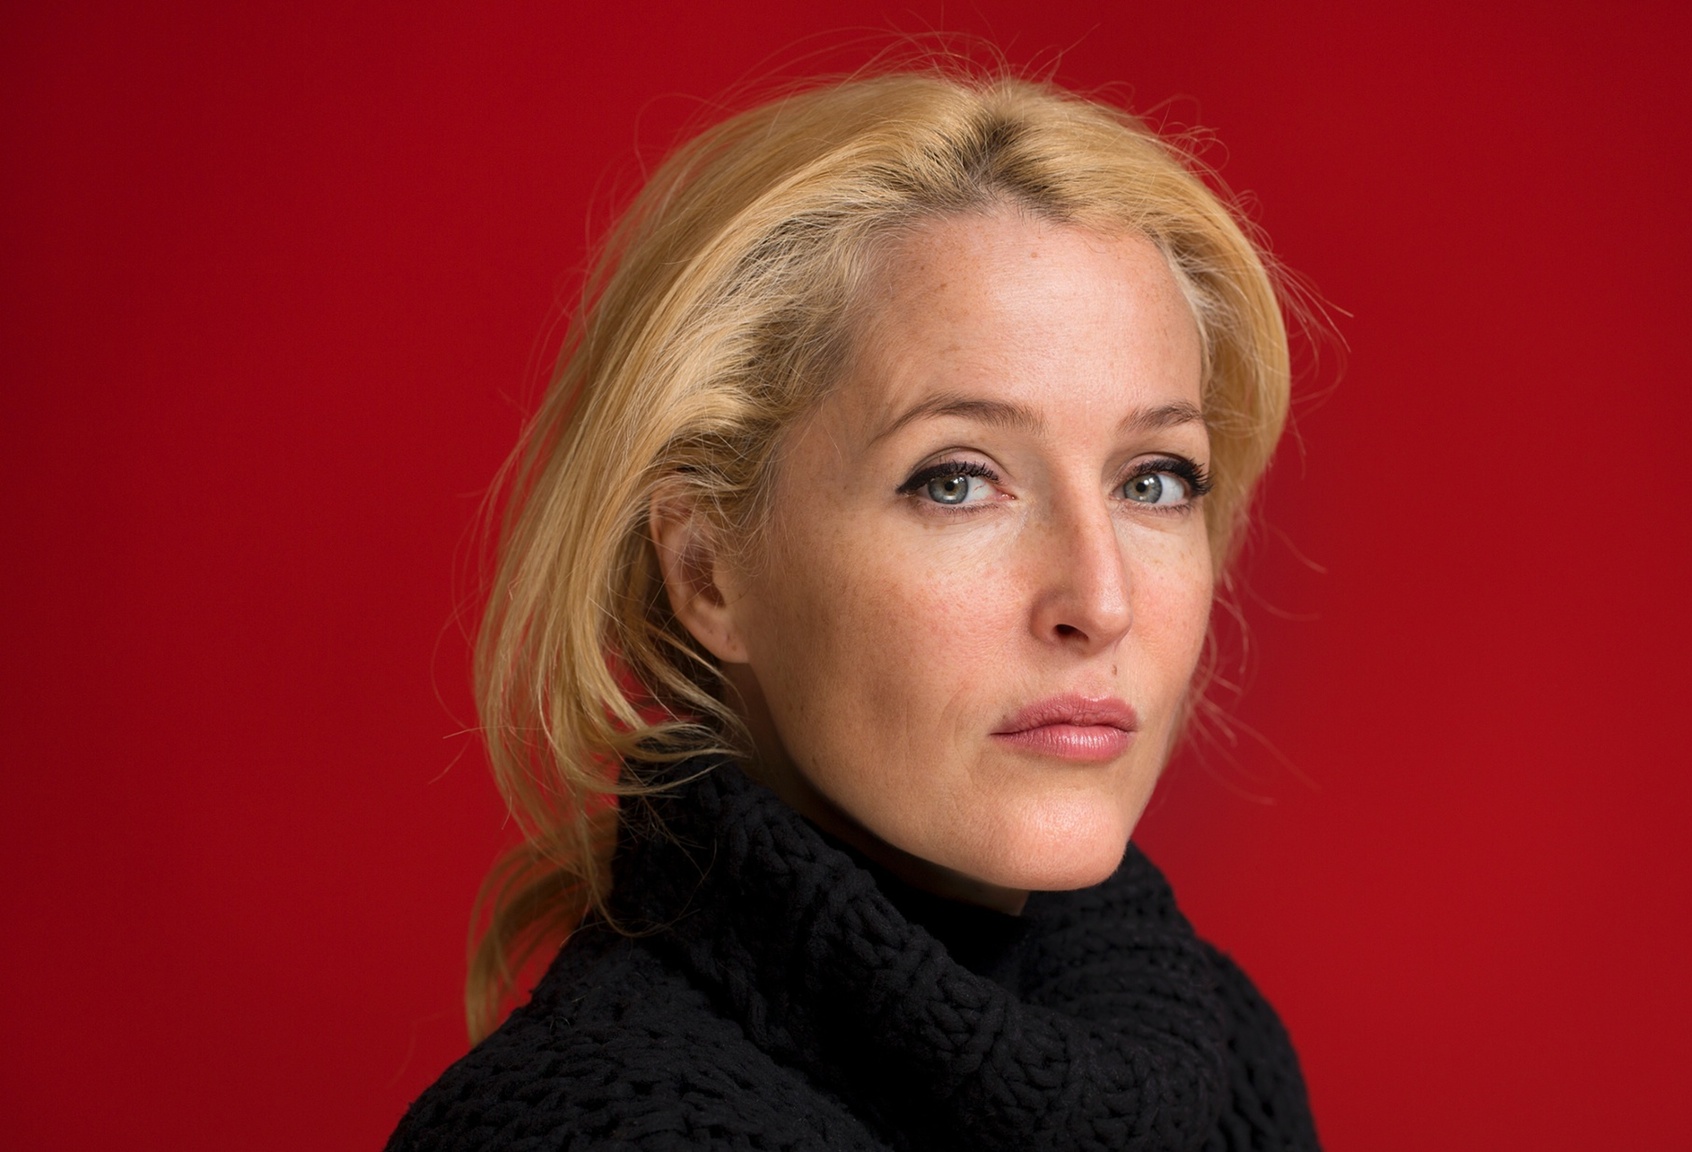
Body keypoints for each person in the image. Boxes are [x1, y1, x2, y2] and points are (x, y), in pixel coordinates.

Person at [388, 63, 1319, 1152]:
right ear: (708, 570)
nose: (1101, 602)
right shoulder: (594, 1130)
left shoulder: (1225, 1063)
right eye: (957, 481)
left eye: (1153, 480)